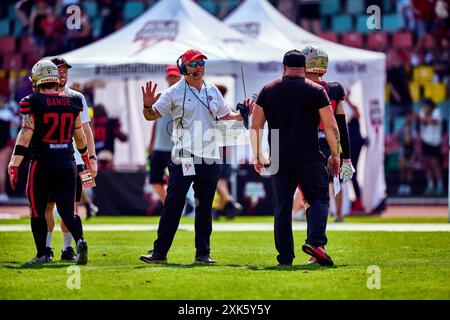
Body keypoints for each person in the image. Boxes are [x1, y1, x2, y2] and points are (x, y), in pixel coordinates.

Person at [139, 49, 253, 264]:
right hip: (184, 156)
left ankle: (203, 254)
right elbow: (150, 115)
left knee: (204, 208)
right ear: (183, 66)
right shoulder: (173, 92)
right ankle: (159, 253)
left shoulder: (212, 90)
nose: (199, 67)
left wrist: (242, 114)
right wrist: (146, 104)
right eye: (194, 63)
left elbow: (225, 115)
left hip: (210, 158)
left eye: (202, 63)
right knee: (173, 205)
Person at [251, 49, 340, 267]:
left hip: (279, 155)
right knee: (319, 199)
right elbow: (330, 126)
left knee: (282, 208)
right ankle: (316, 243)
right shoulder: (317, 90)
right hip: (308, 153)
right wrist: (335, 154)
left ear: (284, 67)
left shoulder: (268, 89)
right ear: (305, 68)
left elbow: (256, 126)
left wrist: (257, 155)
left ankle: (285, 258)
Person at [8, 59, 90, 265]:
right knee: (68, 211)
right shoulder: (73, 101)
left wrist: (14, 162)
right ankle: (80, 240)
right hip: (67, 163)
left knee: (38, 210)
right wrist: (86, 156)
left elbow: (26, 132)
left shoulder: (31, 101)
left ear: (37, 80)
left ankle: (43, 253)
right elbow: (79, 135)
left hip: (42, 163)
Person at [41, 57, 98, 262]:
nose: (63, 73)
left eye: (65, 70)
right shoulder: (41, 97)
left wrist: (92, 158)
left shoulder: (76, 97)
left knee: (71, 206)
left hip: (74, 159)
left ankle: (67, 248)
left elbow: (86, 130)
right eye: (58, 70)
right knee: (47, 206)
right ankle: (46, 249)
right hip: (48, 159)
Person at [300, 45, 355, 223]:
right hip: (330, 142)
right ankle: (337, 215)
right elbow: (341, 124)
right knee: (334, 182)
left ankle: (313, 221)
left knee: (310, 188)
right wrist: (346, 157)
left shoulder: (297, 88)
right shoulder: (334, 89)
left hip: (307, 143)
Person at [147, 65, 180, 205]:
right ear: (167, 78)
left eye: (175, 76)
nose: (172, 79)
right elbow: (155, 120)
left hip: (176, 147)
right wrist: (152, 142)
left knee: (179, 181)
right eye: (170, 76)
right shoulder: (160, 96)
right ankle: (170, 205)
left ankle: (178, 205)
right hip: (160, 147)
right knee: (154, 181)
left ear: (180, 77)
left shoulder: (183, 95)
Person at [212, 84, 243, 220]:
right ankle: (218, 210)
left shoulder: (217, 110)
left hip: (216, 151)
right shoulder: (229, 110)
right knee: (222, 181)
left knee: (218, 180)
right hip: (226, 151)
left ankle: (229, 202)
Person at [416, 98, 444, 195]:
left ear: (430, 106)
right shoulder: (422, 111)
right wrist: (425, 118)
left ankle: (440, 185)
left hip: (435, 142)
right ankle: (430, 185)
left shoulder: (437, 111)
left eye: (426, 105)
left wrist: (426, 118)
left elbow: (435, 121)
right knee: (427, 164)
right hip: (425, 141)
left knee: (434, 164)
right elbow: (421, 119)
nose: (424, 107)